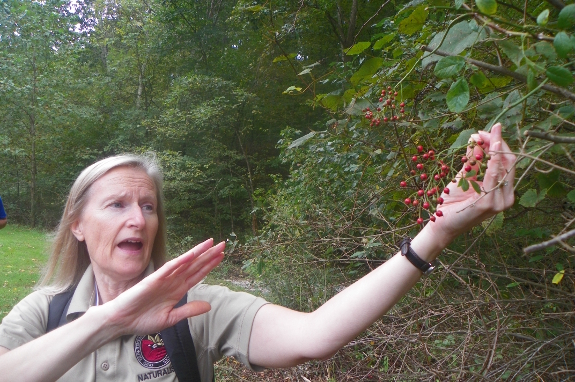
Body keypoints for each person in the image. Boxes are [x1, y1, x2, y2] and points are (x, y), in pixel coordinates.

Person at [0, 123, 515, 381]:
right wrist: (108, 322)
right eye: (116, 205)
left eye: (149, 206)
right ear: (78, 226)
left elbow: (316, 335)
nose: (139, 219)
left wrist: (436, 235)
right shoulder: (40, 315)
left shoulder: (194, 309)